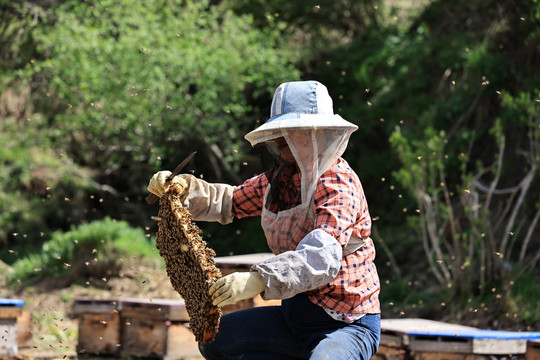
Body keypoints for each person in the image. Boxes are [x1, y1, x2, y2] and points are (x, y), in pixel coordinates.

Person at [148, 80, 381, 360]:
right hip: (294, 317)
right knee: (216, 341)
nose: (281, 140)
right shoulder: (282, 178)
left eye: (292, 132)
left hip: (345, 323)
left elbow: (321, 257)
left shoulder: (337, 184)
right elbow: (230, 200)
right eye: (279, 132)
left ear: (320, 133)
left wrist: (259, 279)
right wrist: (182, 189)